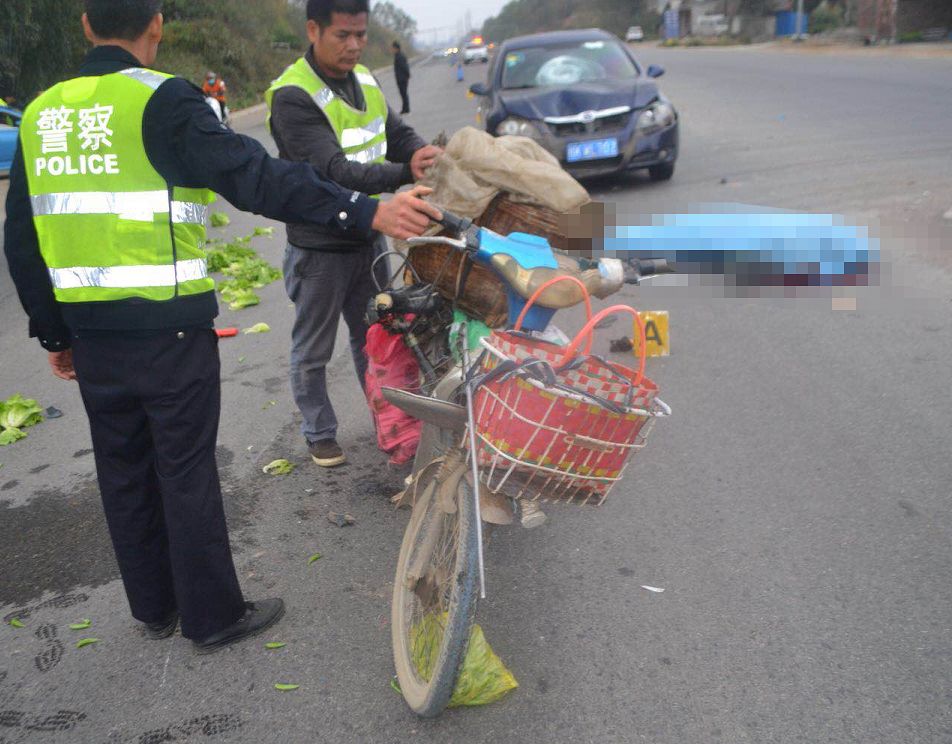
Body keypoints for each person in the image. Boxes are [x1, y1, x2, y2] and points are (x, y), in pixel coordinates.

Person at [3, 0, 440, 652]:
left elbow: (22, 235)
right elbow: (256, 177)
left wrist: (54, 333)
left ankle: (154, 607)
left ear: (87, 26)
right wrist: (364, 211)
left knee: (123, 470)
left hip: (93, 335)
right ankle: (212, 615)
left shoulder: (39, 115)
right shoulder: (163, 101)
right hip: (168, 332)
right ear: (156, 25)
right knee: (183, 470)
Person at [265, 0, 441, 469]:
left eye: (361, 35)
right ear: (313, 30)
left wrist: (419, 152)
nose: (354, 45)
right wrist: (402, 173)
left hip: (368, 239)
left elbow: (394, 130)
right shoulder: (292, 96)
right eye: (343, 35)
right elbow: (332, 170)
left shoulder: (365, 79)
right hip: (319, 247)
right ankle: (319, 432)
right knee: (313, 348)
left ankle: (389, 421)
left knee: (378, 337)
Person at [391, 41, 410, 115]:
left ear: (396, 48)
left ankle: (406, 109)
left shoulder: (399, 56)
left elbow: (404, 67)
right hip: (401, 78)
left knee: (404, 93)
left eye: (392, 48)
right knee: (403, 94)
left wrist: (407, 75)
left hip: (402, 78)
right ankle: (405, 108)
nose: (391, 50)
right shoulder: (398, 55)